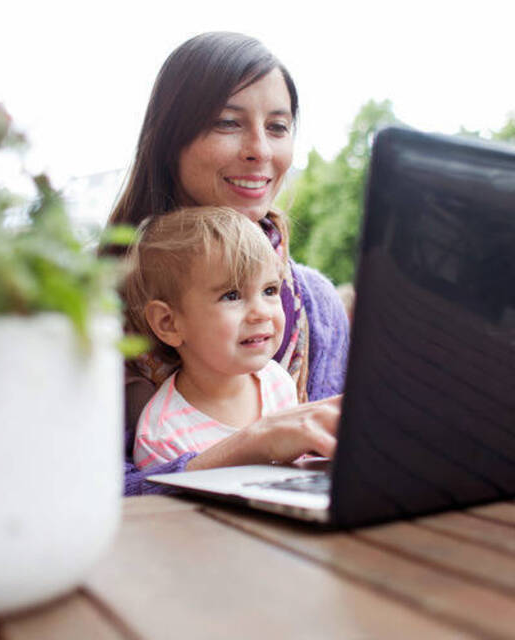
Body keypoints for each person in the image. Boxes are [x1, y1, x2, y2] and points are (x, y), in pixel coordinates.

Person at [106, 31, 350, 495]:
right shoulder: (92, 303)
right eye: (227, 123)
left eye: (278, 127)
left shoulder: (317, 304)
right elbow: (84, 493)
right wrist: (252, 442)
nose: (260, 149)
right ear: (170, 139)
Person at [124, 206, 299, 468]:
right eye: (232, 295)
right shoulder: (162, 436)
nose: (261, 313)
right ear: (169, 323)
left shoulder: (278, 383)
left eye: (270, 290)